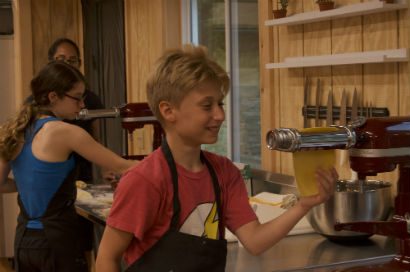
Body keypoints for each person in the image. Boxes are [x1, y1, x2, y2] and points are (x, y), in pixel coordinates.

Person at [95, 44, 338, 272]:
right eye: (207, 106)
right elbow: (106, 257)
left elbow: (254, 241)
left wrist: (305, 204)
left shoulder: (224, 172)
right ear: (168, 111)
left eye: (220, 103)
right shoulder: (144, 181)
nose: (220, 115)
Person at [0, 61, 137, 272]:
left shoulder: (17, 130)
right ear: (53, 96)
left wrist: (34, 185)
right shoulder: (64, 132)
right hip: (56, 244)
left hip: (24, 243)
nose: (82, 104)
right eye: (77, 97)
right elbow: (122, 166)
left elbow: (1, 184)